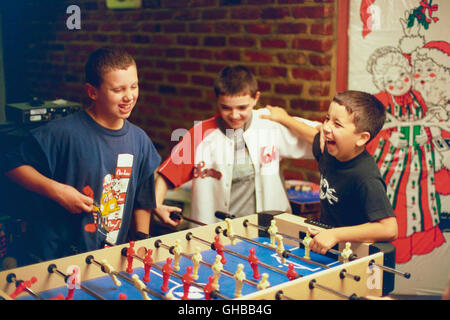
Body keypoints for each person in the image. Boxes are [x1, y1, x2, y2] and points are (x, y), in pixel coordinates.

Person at [2, 46, 161, 262]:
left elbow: (143, 198)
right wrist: (57, 190)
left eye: (134, 86)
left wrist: (142, 239)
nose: (129, 97)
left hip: (106, 258)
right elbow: (11, 166)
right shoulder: (62, 133)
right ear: (92, 92)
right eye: (118, 90)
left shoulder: (140, 140)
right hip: (54, 258)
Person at [153, 65, 319, 226]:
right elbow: (167, 174)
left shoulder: (270, 123)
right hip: (215, 233)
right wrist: (157, 204)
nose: (234, 115)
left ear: (256, 98)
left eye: (242, 107)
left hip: (269, 230)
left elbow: (322, 139)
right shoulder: (200, 133)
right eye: (226, 108)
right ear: (217, 100)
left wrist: (286, 119)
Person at [261, 90, 398, 254]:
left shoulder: (365, 176)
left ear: (361, 138)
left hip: (352, 253)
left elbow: (390, 229)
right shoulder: (332, 150)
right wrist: (285, 118)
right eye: (327, 119)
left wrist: (335, 234)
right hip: (327, 246)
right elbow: (312, 135)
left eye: (337, 124)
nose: (326, 127)